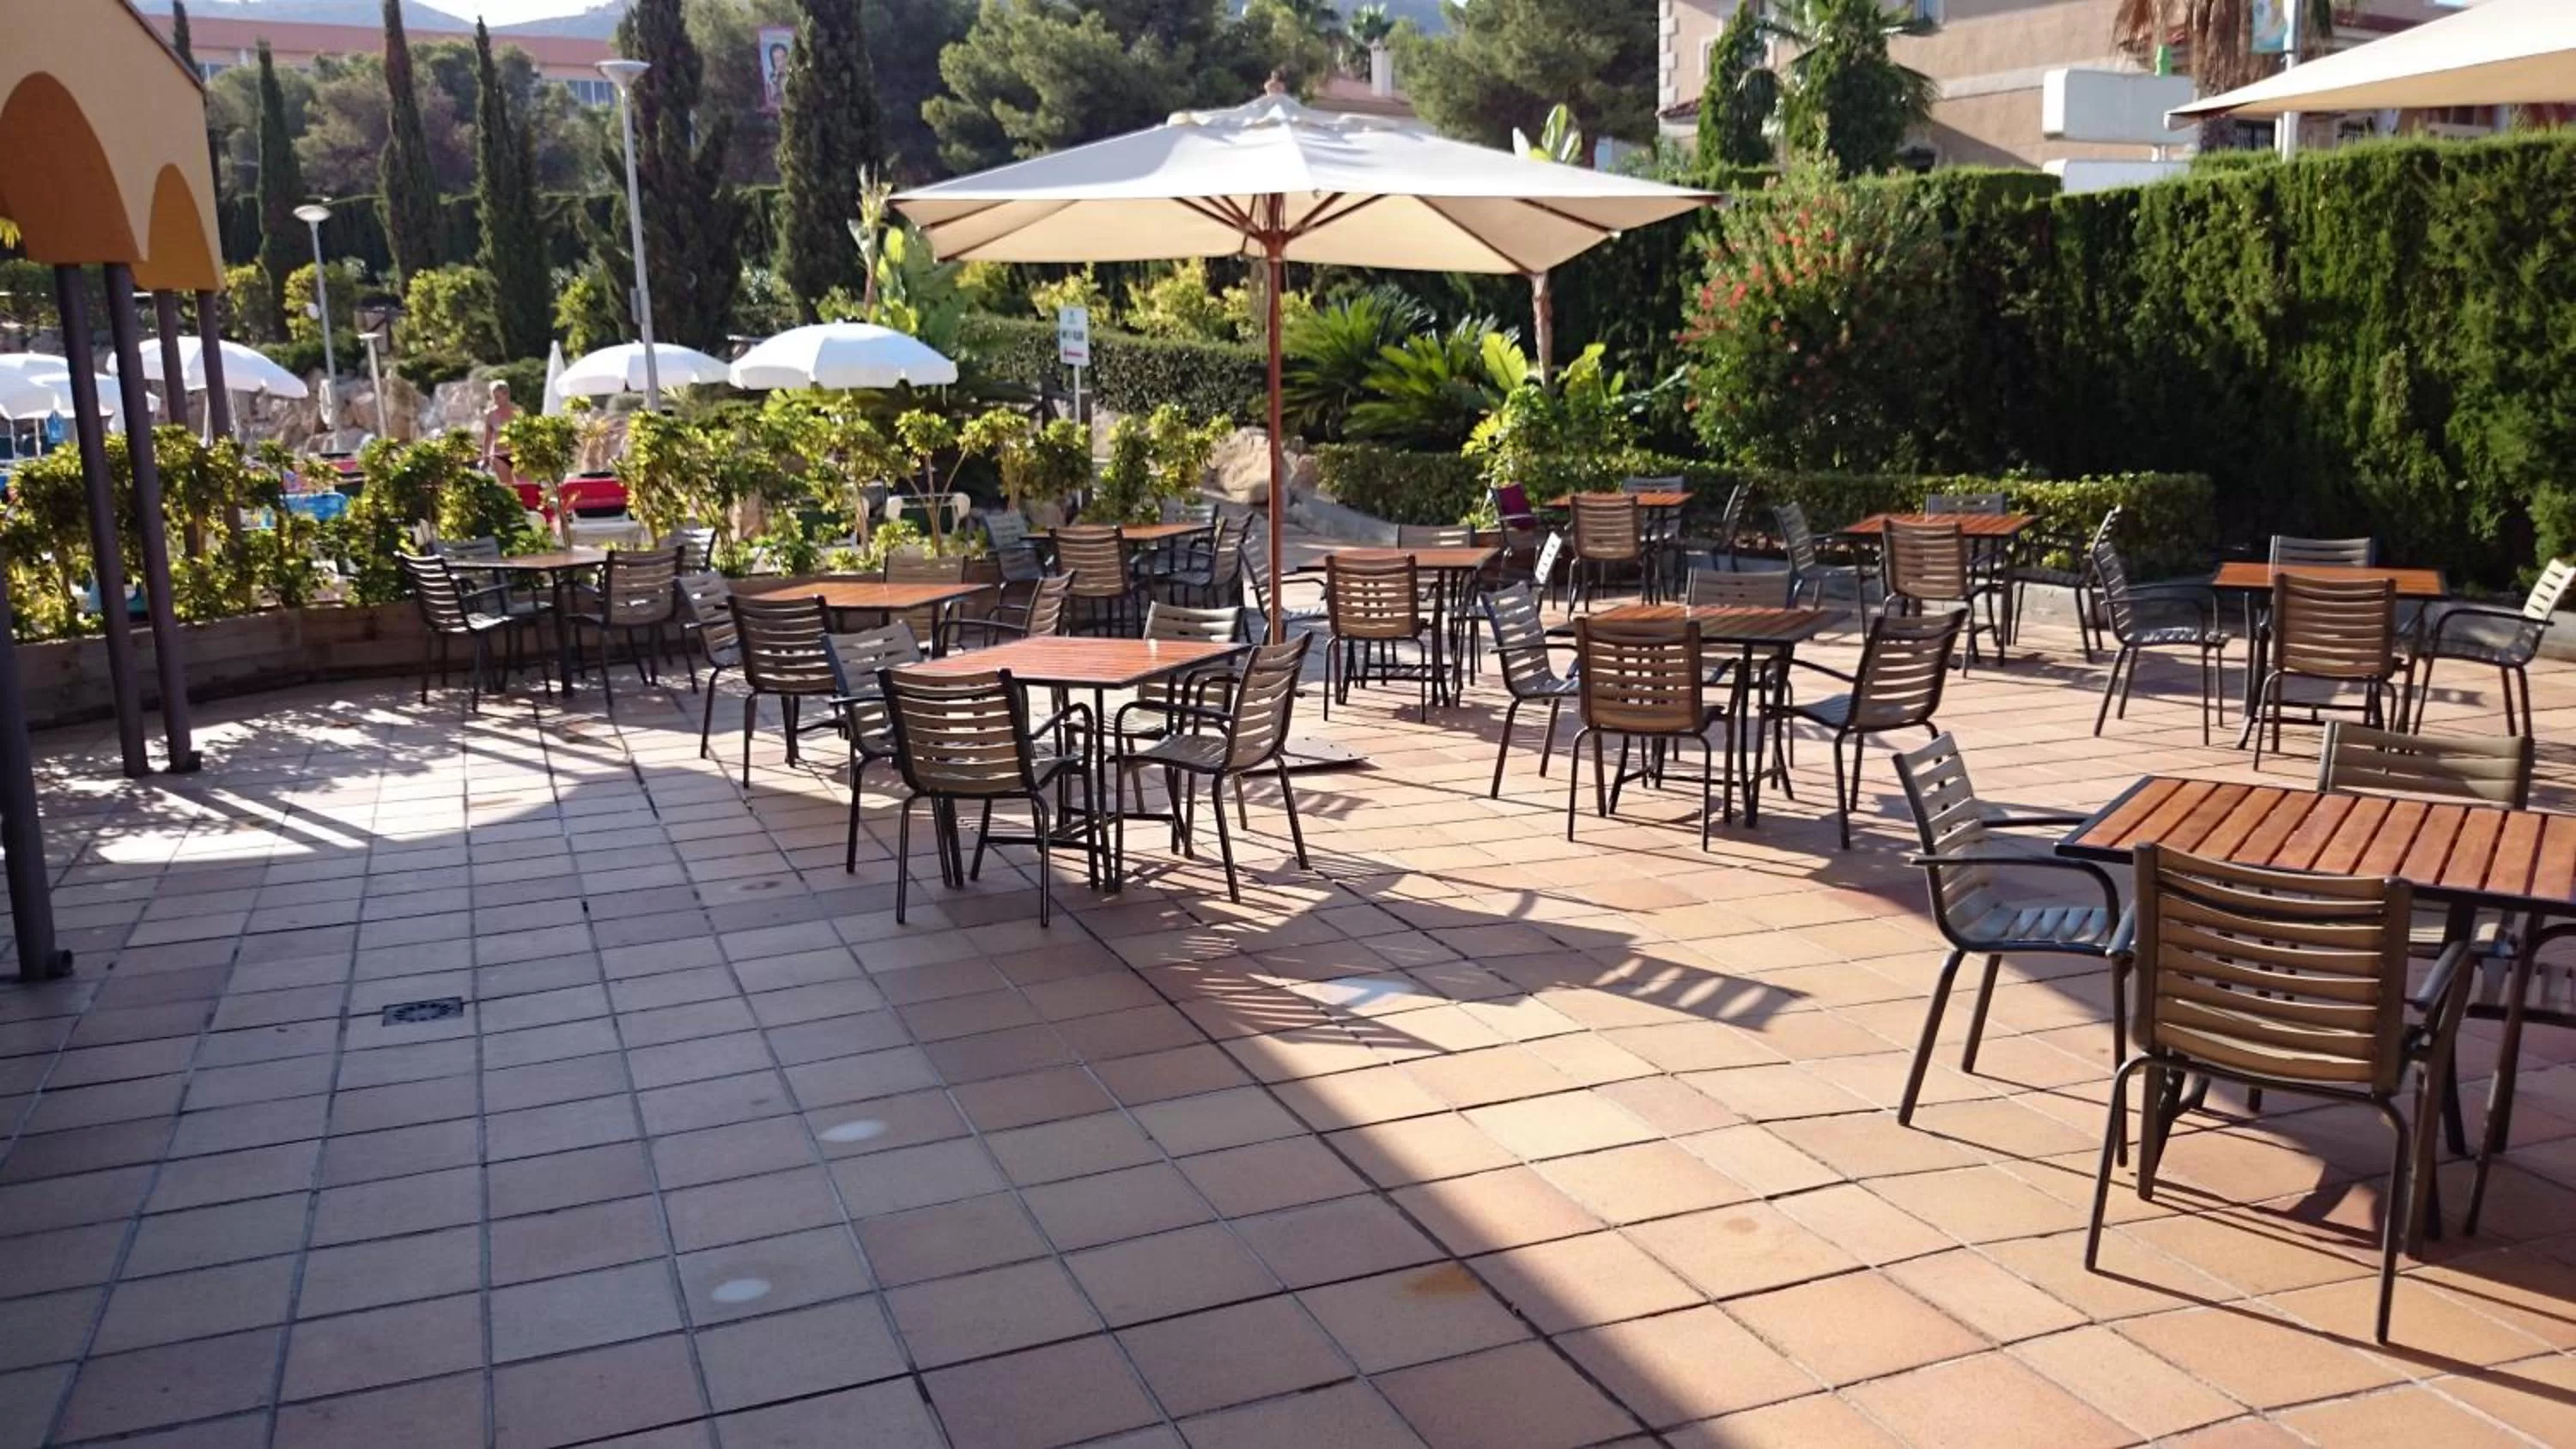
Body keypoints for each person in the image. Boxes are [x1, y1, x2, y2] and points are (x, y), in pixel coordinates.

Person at [480, 379, 519, 487]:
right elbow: (487, 438)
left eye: (498, 397)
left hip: (517, 454)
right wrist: (485, 458)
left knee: (523, 485)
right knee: (507, 487)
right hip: (500, 455)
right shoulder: (491, 415)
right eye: (493, 398)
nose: (495, 401)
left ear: (507, 395)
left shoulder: (518, 412)